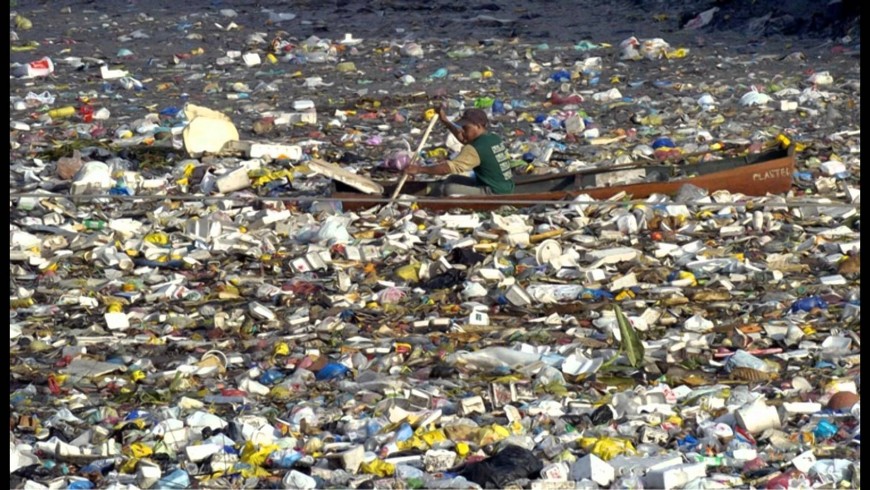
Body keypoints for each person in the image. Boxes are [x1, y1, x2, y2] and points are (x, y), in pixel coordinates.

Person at [403, 107, 515, 196]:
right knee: (453, 179)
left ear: (478, 126)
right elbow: (463, 138)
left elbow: (448, 168)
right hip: (505, 185)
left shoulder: (476, 148)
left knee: (449, 189)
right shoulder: (492, 138)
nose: (462, 131)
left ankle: (435, 197)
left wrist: (419, 169)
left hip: (494, 192)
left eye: (466, 128)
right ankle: (431, 192)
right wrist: (445, 121)